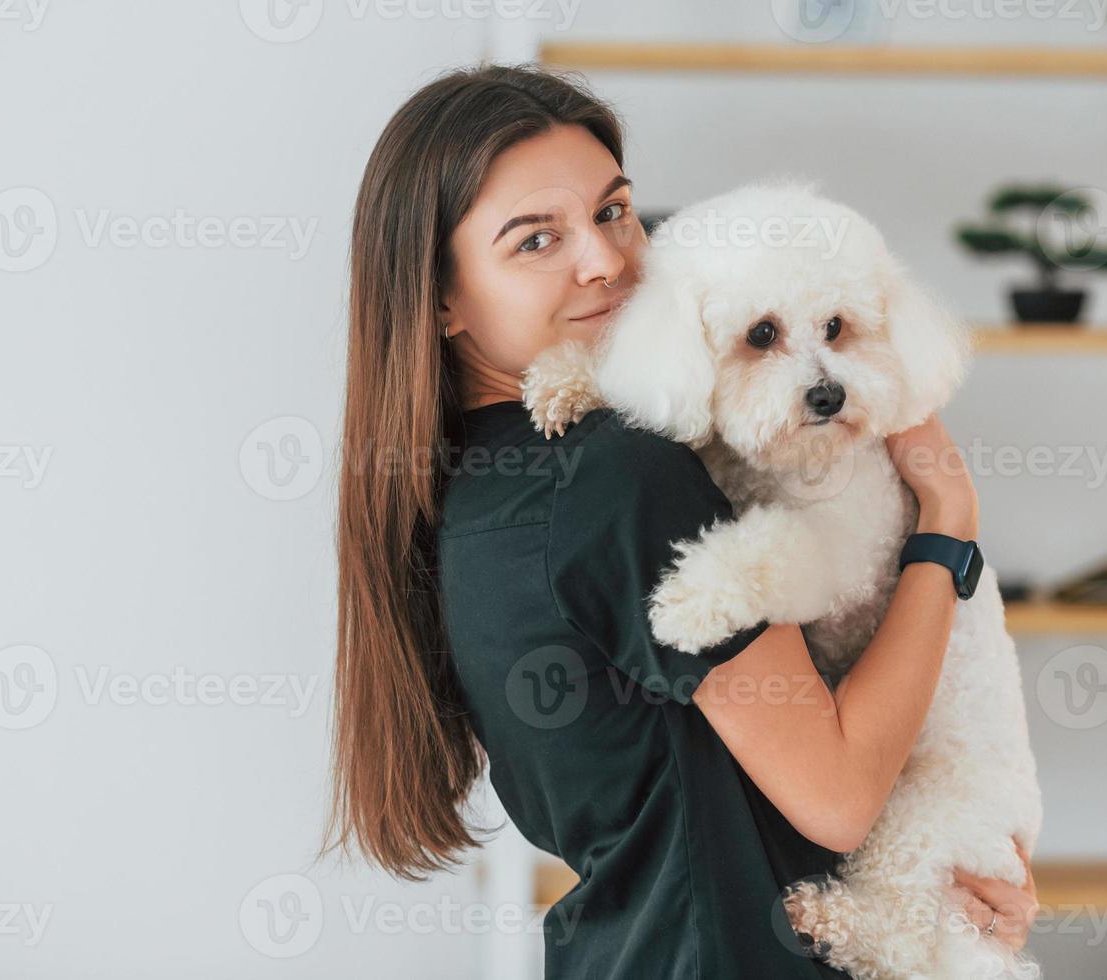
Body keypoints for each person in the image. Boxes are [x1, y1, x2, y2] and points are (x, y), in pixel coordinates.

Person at [322, 62, 1039, 978]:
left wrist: (951, 882)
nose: (607, 260)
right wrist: (948, 519)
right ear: (441, 297)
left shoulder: (483, 493)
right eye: (536, 239)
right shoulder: (619, 475)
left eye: (613, 210)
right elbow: (841, 795)